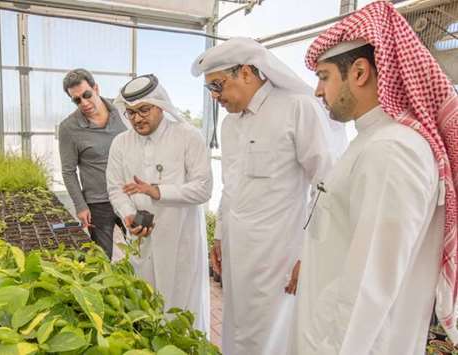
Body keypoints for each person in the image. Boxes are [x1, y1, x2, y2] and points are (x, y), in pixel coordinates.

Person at [291, 2, 458, 354]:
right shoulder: (373, 141)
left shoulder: (393, 151)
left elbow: (369, 287)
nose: (318, 92)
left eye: (323, 77)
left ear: (360, 72)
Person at [191, 37, 341, 355]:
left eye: (217, 86)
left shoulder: (297, 108)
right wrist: (219, 236)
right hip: (238, 249)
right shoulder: (231, 125)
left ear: (246, 72)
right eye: (210, 90)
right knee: (237, 327)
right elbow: (230, 186)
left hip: (280, 253)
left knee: (273, 334)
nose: (215, 96)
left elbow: (326, 184)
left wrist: (309, 251)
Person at [106, 74, 212, 332]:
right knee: (145, 305)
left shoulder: (188, 136)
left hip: (181, 238)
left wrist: (157, 192)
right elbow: (116, 188)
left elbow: (203, 189)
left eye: (144, 110)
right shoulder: (121, 143)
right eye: (130, 113)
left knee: (182, 309)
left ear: (161, 106)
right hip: (141, 241)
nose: (137, 118)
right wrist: (128, 215)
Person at [58, 68, 127, 259]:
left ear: (96, 88)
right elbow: (68, 171)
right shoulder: (68, 128)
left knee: (141, 252)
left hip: (129, 195)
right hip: (98, 204)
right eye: (77, 100)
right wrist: (80, 206)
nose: (84, 103)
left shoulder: (123, 110)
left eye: (87, 95)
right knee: (102, 259)